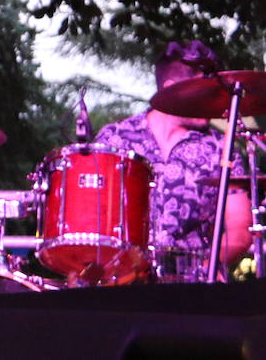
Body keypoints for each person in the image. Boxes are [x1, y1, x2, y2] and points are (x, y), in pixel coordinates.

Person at [94, 41, 253, 278]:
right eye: (203, 93)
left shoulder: (221, 148)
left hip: (194, 283)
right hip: (121, 283)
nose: (212, 101)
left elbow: (240, 230)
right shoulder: (114, 139)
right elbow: (91, 215)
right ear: (170, 90)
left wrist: (207, 266)